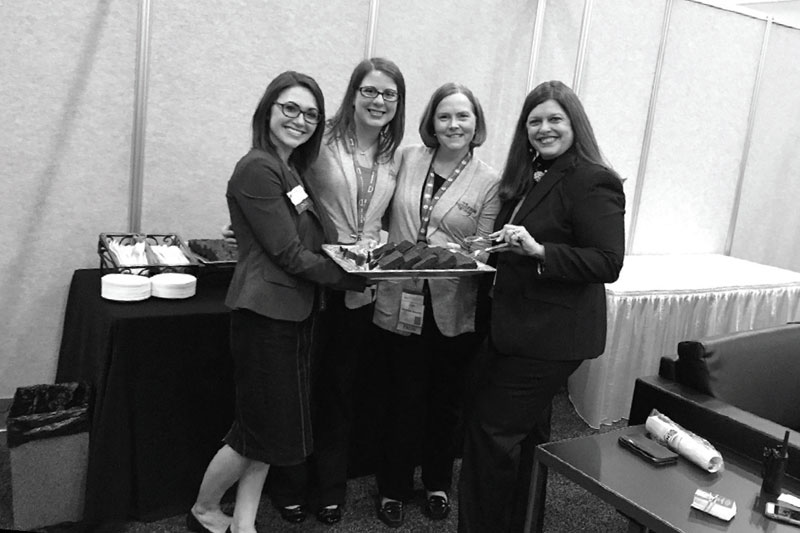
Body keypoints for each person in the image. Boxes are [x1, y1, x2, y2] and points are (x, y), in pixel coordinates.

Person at [221, 57, 406, 526]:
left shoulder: (393, 155)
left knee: (339, 392)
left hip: (357, 290)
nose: (378, 100)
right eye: (369, 90)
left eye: (389, 94)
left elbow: (381, 217)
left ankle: (330, 488)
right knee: (296, 396)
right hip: (314, 284)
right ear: (352, 94)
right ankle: (288, 487)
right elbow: (285, 210)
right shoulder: (317, 142)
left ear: (398, 104)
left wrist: (374, 251)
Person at [187, 71, 366, 533]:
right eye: (290, 108)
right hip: (265, 317)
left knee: (268, 432)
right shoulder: (257, 167)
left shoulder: (293, 172)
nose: (301, 119)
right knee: (256, 433)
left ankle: (244, 524)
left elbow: (311, 239)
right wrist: (353, 279)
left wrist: (358, 257)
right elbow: (287, 254)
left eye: (311, 114)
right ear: (268, 110)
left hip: (297, 317)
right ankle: (204, 509)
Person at [457, 80, 626, 533]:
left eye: (555, 119)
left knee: (490, 434)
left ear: (575, 124)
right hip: (517, 326)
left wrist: (540, 252)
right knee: (527, 436)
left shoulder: (592, 178)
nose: (544, 128)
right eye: (535, 121)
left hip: (551, 335)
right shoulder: (533, 175)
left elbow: (608, 262)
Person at [371, 82, 500, 528]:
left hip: (452, 304)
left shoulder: (489, 180)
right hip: (400, 295)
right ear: (431, 122)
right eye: (444, 116)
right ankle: (392, 486)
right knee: (400, 397)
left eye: (463, 116)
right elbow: (374, 208)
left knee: (445, 401)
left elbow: (483, 247)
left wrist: (445, 253)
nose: (453, 125)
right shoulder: (407, 159)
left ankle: (438, 482)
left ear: (476, 124)